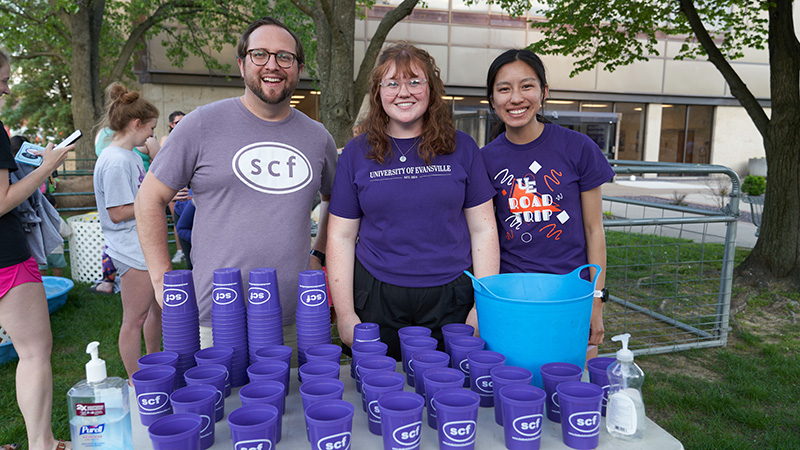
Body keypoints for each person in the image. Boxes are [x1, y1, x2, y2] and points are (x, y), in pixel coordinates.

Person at [135, 16, 338, 350]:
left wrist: (319, 251)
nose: (272, 65)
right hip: (215, 316)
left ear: (299, 68)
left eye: (284, 57)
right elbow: (149, 199)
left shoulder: (318, 138)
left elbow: (333, 198)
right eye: (260, 54)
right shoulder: (200, 125)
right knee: (219, 402)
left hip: (294, 314)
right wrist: (161, 279)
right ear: (242, 64)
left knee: (291, 402)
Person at [326, 42, 500, 360]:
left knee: (449, 391)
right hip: (376, 294)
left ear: (430, 89)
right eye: (392, 83)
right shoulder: (356, 152)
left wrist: (482, 306)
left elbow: (484, 231)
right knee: (377, 394)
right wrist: (347, 314)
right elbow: (341, 235)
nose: (403, 92)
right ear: (378, 93)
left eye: (414, 81)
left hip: (452, 297)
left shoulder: (462, 147)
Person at [481, 49, 615, 358]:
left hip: (572, 296)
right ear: (492, 99)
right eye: (504, 89)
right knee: (512, 391)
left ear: (544, 92)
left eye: (527, 86)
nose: (516, 98)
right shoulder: (484, 159)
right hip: (510, 297)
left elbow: (595, 231)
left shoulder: (578, 147)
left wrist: (596, 302)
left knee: (572, 389)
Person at [0, 50, 74, 450]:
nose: (7, 87)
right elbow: (1, 200)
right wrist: (47, 166)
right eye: (2, 80)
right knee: (33, 352)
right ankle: (42, 443)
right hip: (6, 257)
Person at [93, 83, 162, 379]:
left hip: (142, 244)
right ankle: (137, 381)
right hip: (130, 249)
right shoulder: (115, 161)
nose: (151, 135)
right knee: (134, 319)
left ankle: (158, 365)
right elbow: (118, 212)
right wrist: (154, 199)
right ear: (136, 124)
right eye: (150, 128)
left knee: (154, 311)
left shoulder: (132, 156)